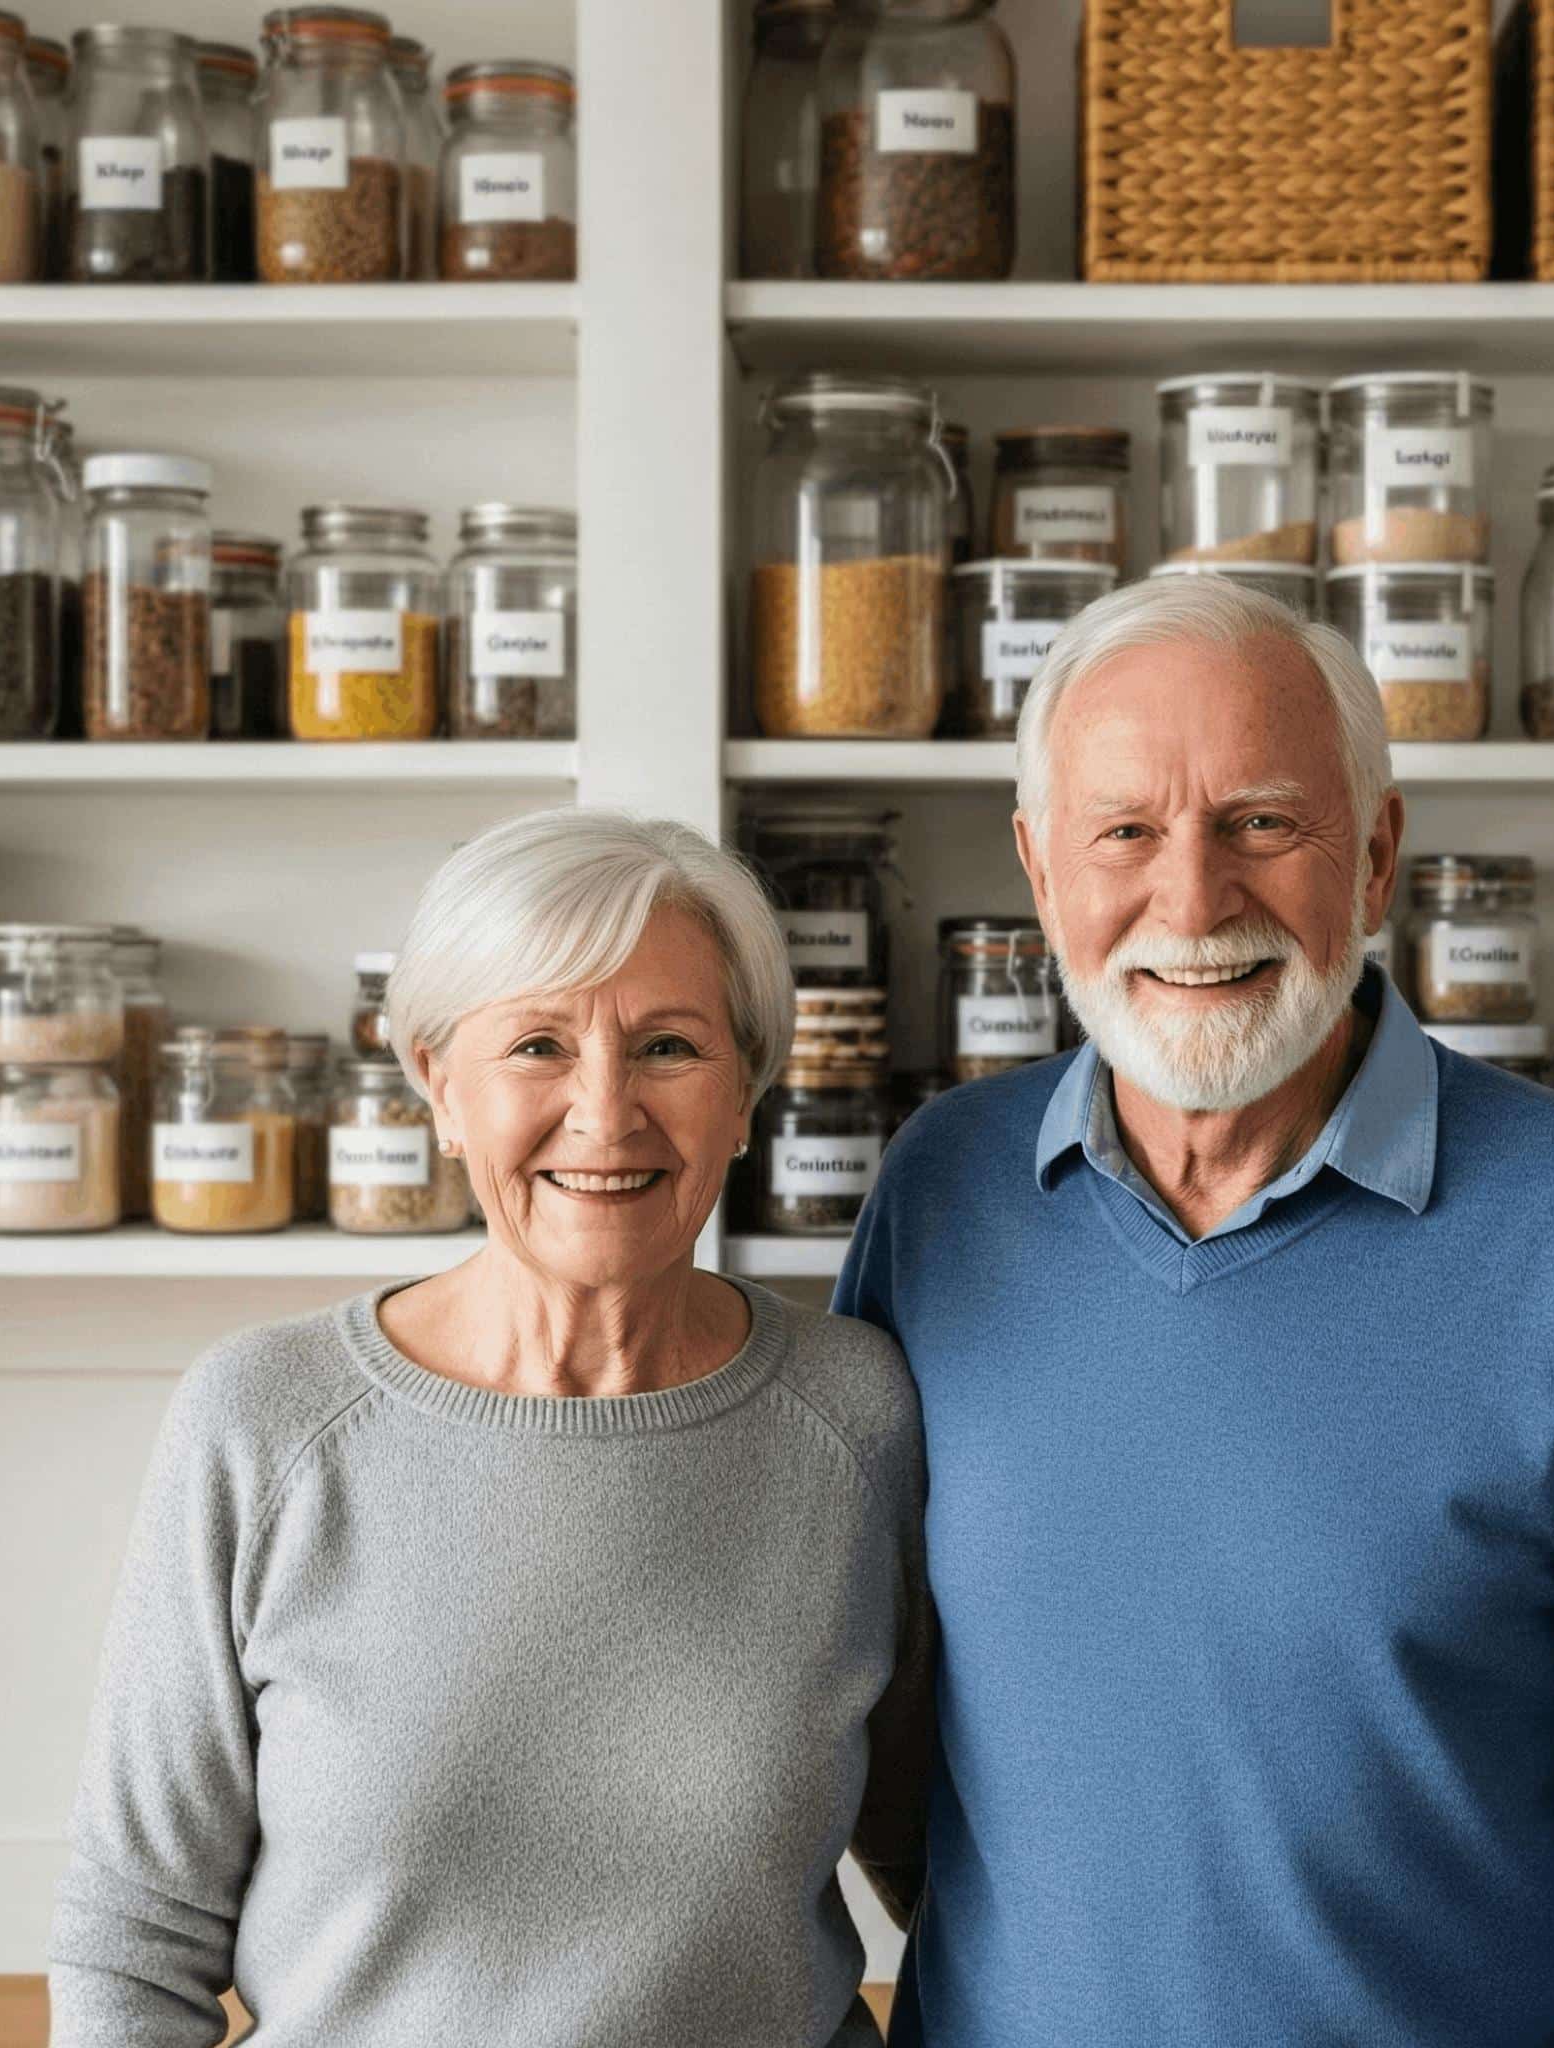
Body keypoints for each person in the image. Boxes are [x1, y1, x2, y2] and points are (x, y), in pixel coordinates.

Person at [834, 577, 1554, 2047]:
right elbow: (887, 1730)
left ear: (1374, 859)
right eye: (1126, 830)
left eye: (1261, 822)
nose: (1194, 900)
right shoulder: (943, 1193)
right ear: (1043, 872)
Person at [50, 808, 932, 2048]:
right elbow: (129, 1946)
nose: (605, 1109)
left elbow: (947, 1870)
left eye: (669, 1045)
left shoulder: (857, 1417)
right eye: (536, 1044)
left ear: (745, 1091)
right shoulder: (265, 1420)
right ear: (435, 1082)